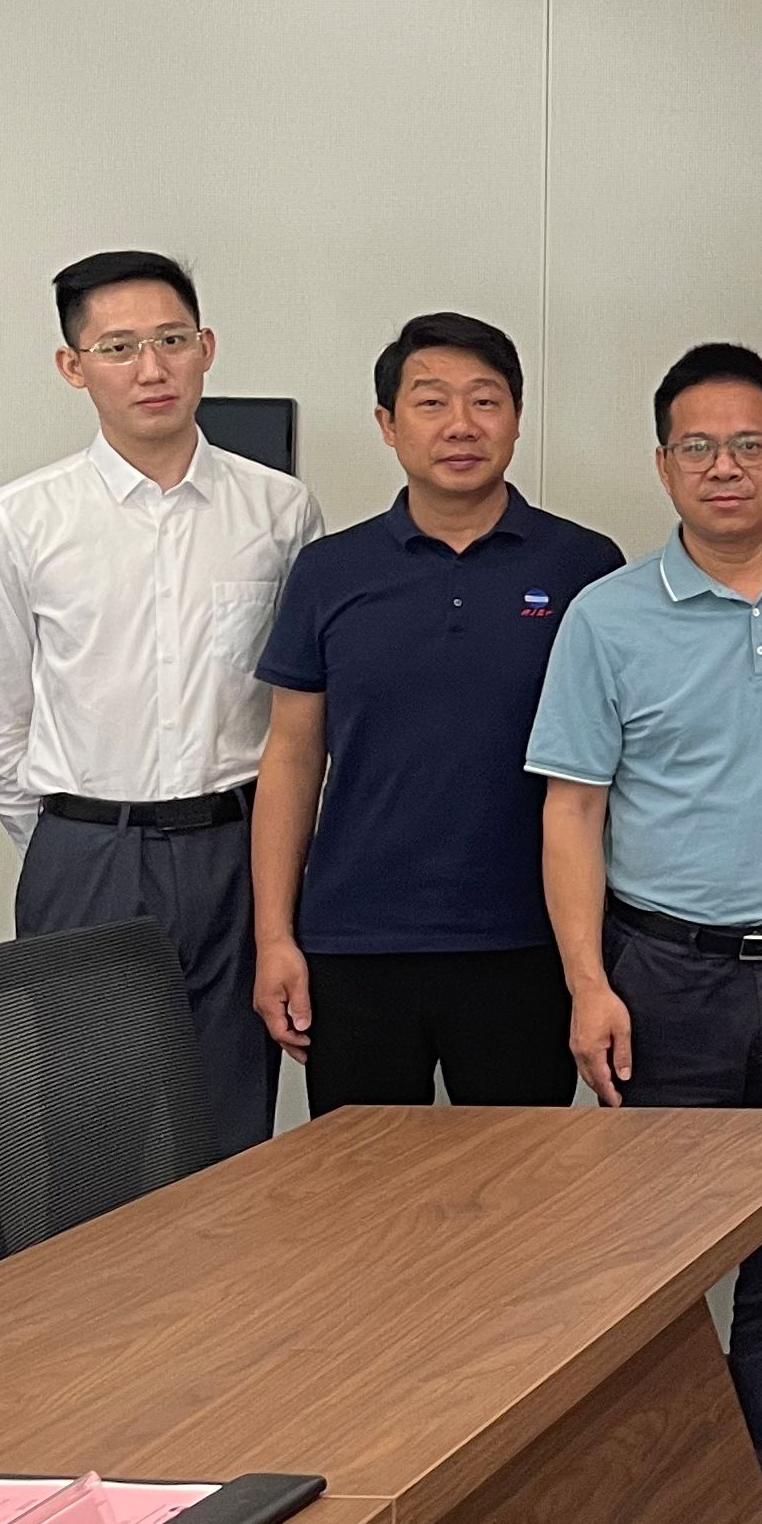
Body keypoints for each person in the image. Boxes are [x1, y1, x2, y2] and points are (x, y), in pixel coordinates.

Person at [528, 341, 762, 1524]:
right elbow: (572, 811)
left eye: (748, 445)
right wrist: (588, 982)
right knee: (653, 1258)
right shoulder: (608, 615)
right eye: (698, 448)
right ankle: (656, 1493)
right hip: (662, 975)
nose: (724, 468)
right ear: (664, 463)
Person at [0, 251, 321, 1162]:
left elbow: (300, 715)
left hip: (237, 852)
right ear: (72, 367)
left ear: (207, 349)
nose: (151, 368)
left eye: (171, 341)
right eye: (118, 347)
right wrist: (65, 835)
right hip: (87, 854)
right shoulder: (19, 518)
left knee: (233, 1134)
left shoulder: (280, 512)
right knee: (90, 1145)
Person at [252, 315, 623, 1114]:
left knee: (523, 1180)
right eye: (431, 402)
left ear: (516, 419)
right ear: (388, 424)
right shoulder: (329, 572)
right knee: (362, 1181)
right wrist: (275, 936)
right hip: (356, 943)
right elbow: (290, 757)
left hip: (527, 942)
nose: (461, 425)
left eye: (485, 401)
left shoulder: (584, 566)